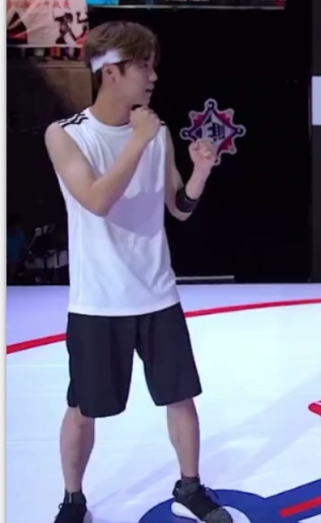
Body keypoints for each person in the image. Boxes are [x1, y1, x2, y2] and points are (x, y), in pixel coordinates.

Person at [44, 21, 233, 523]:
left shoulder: (158, 132)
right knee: (83, 406)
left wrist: (200, 172)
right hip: (98, 299)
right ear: (111, 71)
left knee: (181, 397)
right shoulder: (66, 135)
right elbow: (96, 200)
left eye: (153, 66)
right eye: (143, 66)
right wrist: (138, 140)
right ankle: (73, 498)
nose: (153, 76)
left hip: (157, 292)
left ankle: (190, 485)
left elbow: (178, 207)